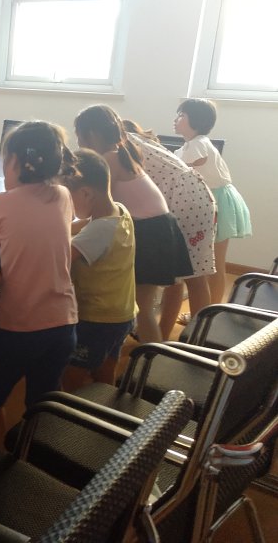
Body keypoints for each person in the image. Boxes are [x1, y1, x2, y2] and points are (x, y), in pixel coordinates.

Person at [0, 121, 78, 448]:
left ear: (16, 162)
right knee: (42, 401)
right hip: (63, 323)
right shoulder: (63, 196)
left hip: (18, 326)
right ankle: (35, 456)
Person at [74, 105, 192, 344]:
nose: (79, 143)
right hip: (158, 228)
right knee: (143, 306)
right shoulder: (122, 152)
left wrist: (64, 228)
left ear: (91, 135)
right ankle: (150, 351)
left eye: (79, 136)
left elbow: (94, 209)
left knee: (143, 307)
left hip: (150, 233)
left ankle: (152, 356)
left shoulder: (108, 160)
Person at [123, 119, 216, 337]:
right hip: (189, 198)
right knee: (175, 275)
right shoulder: (141, 143)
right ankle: (164, 334)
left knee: (194, 276)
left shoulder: (124, 141)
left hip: (187, 201)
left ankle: (199, 337)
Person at [61, 149, 137, 390]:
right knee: (105, 369)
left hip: (97, 319)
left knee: (71, 375)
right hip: (121, 313)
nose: (66, 205)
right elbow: (79, 226)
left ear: (86, 193)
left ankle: (64, 410)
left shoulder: (98, 231)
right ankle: (105, 405)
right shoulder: (119, 212)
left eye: (67, 198)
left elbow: (60, 258)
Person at [174, 99, 251, 304]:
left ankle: (213, 309)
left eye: (181, 115)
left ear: (196, 121)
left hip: (217, 202)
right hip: (210, 200)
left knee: (214, 263)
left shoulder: (198, 144)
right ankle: (210, 307)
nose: (176, 119)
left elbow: (182, 168)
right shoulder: (188, 146)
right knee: (211, 262)